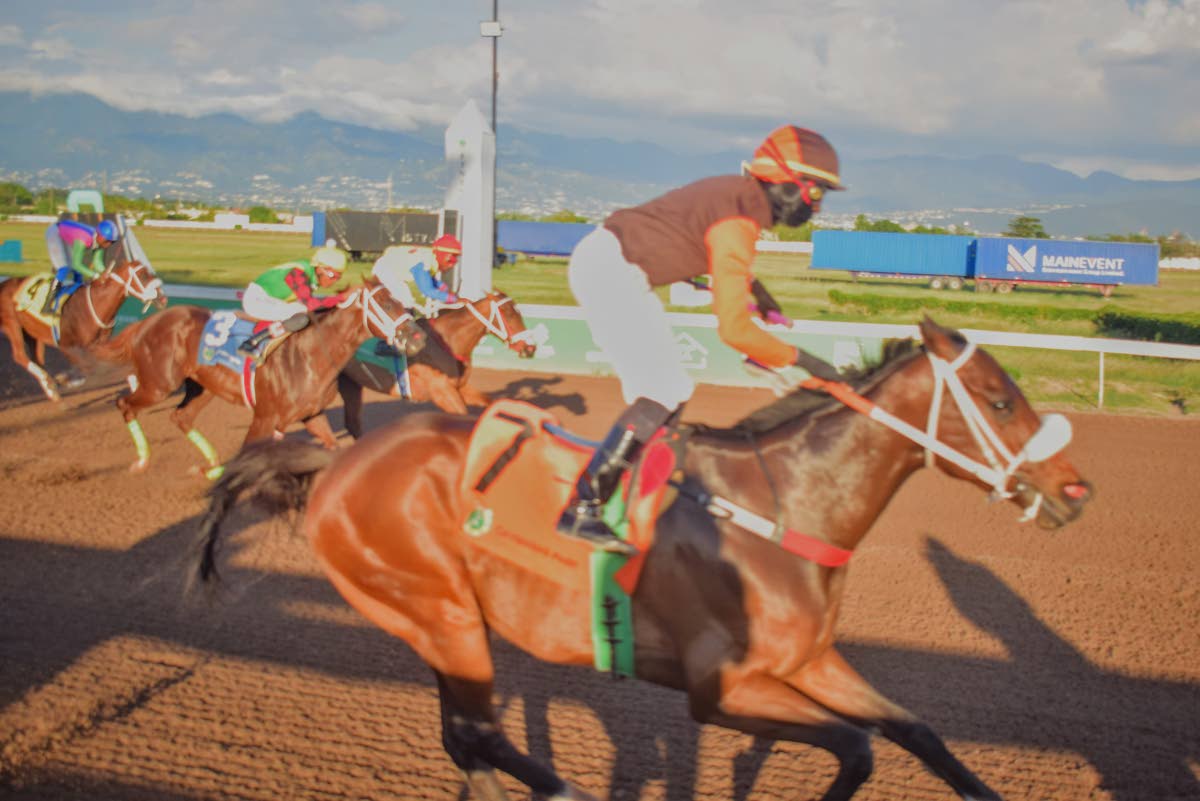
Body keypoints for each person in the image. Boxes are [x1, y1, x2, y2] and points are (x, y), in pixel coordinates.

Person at [557, 124, 846, 554]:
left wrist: (757, 294)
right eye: (815, 194)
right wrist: (805, 360)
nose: (816, 209)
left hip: (613, 265)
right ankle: (585, 506)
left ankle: (637, 491)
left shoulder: (737, 200)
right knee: (665, 388)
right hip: (611, 270)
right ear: (787, 184)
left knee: (667, 391)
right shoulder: (739, 217)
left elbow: (705, 252)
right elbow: (733, 329)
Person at [237, 246, 349, 357]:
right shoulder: (297, 272)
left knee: (302, 312)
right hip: (256, 300)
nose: (334, 281)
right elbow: (311, 304)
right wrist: (341, 298)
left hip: (270, 300)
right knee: (302, 317)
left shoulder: (311, 274)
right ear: (320, 269)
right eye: (332, 275)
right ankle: (252, 343)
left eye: (338, 277)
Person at [41, 218, 121, 314]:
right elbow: (76, 264)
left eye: (112, 242)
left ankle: (72, 303)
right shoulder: (85, 238)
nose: (108, 244)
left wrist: (107, 273)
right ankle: (46, 306)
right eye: (107, 241)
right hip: (55, 233)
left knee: (78, 275)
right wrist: (96, 276)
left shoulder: (100, 242)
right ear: (99, 235)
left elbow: (97, 263)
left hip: (67, 234)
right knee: (64, 267)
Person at [370, 234, 462, 313]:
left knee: (405, 301)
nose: (453, 264)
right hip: (385, 271)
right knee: (406, 302)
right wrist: (456, 300)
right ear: (441, 254)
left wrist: (447, 291)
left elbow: (432, 281)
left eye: (456, 258)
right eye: (452, 258)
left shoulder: (430, 257)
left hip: (387, 268)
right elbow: (428, 290)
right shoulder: (423, 262)